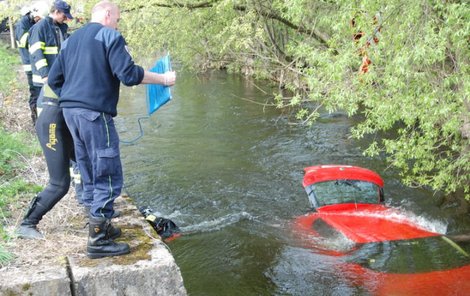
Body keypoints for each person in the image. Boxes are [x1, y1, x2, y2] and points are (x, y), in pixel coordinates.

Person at [47, 1, 176, 259]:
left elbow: (53, 80)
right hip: (95, 115)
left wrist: (73, 98)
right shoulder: (110, 36)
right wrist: (162, 79)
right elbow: (128, 74)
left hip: (70, 114)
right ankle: (97, 240)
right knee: (107, 172)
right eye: (117, 19)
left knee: (88, 168)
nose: (118, 23)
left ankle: (98, 224)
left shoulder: (70, 40)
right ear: (107, 15)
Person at [16, 0, 76, 240]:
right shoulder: (40, 28)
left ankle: (92, 205)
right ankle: (27, 223)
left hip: (57, 107)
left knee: (83, 159)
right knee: (60, 183)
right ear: (56, 12)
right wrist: (44, 74)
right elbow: (36, 52)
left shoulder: (63, 32)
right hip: (50, 116)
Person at [14, 1, 48, 125]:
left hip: (37, 63)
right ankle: (35, 120)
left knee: (42, 93)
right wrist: (35, 31)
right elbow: (23, 42)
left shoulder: (33, 22)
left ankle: (42, 120)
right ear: (35, 15)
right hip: (29, 65)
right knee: (35, 93)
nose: (39, 22)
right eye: (39, 19)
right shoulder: (22, 24)